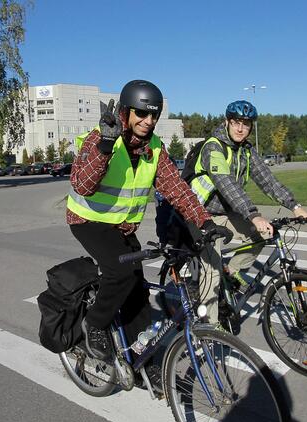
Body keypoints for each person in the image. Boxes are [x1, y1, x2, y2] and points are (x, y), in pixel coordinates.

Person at [67, 79, 227, 363]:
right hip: (88, 220)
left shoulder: (154, 147)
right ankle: (95, 324)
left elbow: (176, 188)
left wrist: (203, 221)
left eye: (154, 115)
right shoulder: (100, 138)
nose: (148, 120)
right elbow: (83, 186)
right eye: (141, 113)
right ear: (125, 111)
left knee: (138, 293)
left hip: (123, 227)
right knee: (120, 273)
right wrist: (105, 147)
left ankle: (143, 362)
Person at [188, 100, 307, 324]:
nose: (240, 128)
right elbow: (226, 183)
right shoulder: (213, 147)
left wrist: (294, 205)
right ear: (227, 122)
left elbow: (268, 180)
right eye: (236, 122)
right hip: (200, 215)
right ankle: (210, 330)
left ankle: (232, 270)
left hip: (225, 214)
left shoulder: (246, 150)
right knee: (211, 273)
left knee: (265, 233)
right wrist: (253, 214)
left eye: (246, 124)